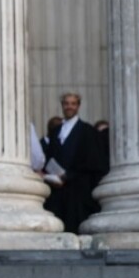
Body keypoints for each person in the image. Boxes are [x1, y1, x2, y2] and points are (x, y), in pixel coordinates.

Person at [42, 93, 105, 233]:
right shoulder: (56, 131)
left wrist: (68, 176)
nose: (69, 107)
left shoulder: (87, 131)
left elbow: (92, 162)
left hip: (78, 191)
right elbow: (49, 158)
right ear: (62, 105)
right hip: (57, 191)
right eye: (66, 103)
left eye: (73, 103)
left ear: (78, 106)